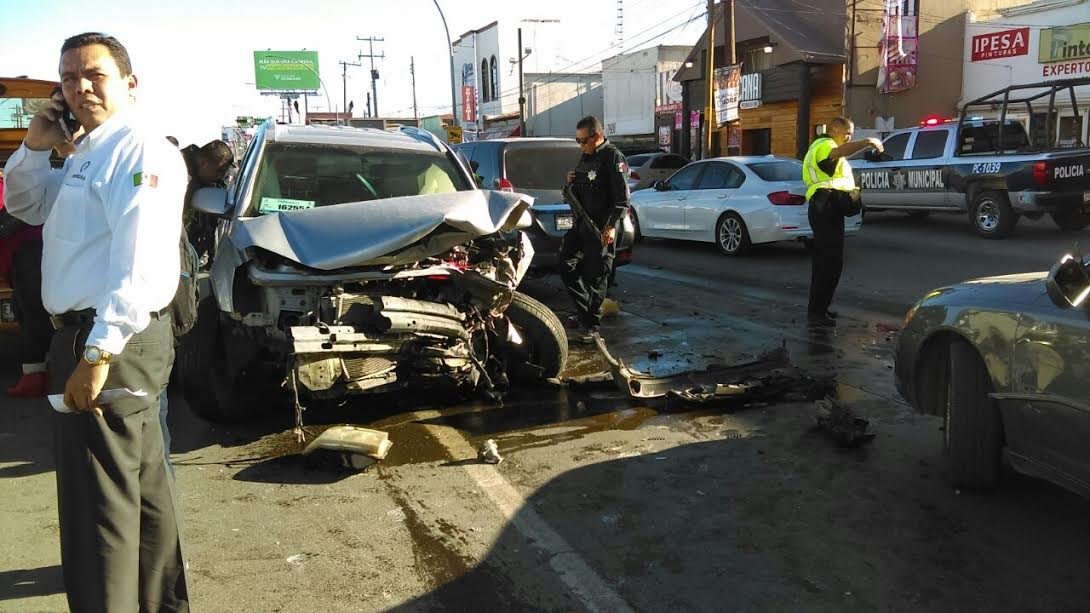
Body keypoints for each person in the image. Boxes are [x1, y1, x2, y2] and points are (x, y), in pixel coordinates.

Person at [2, 32, 190, 611]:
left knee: (99, 515)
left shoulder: (138, 150)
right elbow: (25, 204)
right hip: (96, 337)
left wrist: (98, 352)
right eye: (68, 78)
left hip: (108, 340)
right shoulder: (87, 152)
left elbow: (140, 260)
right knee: (139, 500)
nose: (80, 87)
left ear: (130, 84)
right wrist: (35, 148)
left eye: (95, 75)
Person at [802, 117, 883, 326]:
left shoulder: (823, 146)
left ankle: (821, 309)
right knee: (828, 263)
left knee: (829, 263)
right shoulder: (824, 144)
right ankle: (817, 313)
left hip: (828, 208)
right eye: (846, 132)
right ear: (833, 129)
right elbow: (836, 153)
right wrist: (867, 142)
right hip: (825, 208)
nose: (849, 137)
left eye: (851, 133)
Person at [562, 115, 630, 342]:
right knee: (565, 264)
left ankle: (591, 325)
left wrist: (611, 226)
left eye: (584, 141)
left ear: (597, 136)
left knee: (596, 275)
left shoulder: (613, 157)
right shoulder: (586, 156)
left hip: (601, 227)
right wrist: (571, 180)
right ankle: (584, 312)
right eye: (578, 141)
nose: (581, 146)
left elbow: (622, 200)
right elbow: (581, 187)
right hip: (581, 223)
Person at [180, 139, 233, 262]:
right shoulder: (179, 171)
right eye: (219, 171)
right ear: (204, 163)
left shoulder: (211, 181)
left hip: (191, 251)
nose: (220, 176)